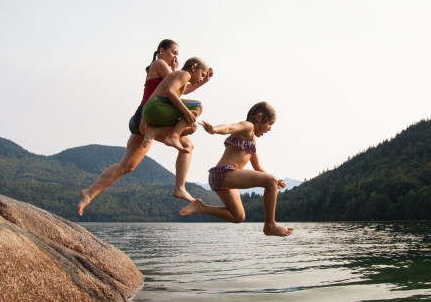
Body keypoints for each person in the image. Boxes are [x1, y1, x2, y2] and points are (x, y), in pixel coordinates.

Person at [77, 40, 212, 216]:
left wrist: (202, 81)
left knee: (127, 165)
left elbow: (183, 89)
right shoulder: (159, 63)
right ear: (161, 51)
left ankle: (89, 193)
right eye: (173, 52)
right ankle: (179, 187)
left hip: (142, 118)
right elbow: (178, 87)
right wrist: (181, 72)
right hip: (147, 117)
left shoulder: (173, 71)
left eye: (178, 54)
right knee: (188, 143)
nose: (175, 57)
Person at [179, 102, 293, 237]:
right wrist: (214, 129)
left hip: (222, 179)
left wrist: (274, 182)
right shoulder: (248, 126)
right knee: (270, 180)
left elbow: (257, 167)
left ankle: (201, 207)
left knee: (238, 216)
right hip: (224, 173)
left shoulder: (251, 141)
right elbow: (229, 127)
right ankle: (270, 225)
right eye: (270, 124)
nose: (269, 129)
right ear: (259, 118)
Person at [140, 57, 209, 153]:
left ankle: (155, 131)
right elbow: (170, 91)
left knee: (192, 127)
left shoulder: (178, 78)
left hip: (149, 113)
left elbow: (181, 91)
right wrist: (186, 111)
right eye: (202, 74)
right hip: (157, 105)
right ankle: (174, 136)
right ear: (193, 67)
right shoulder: (185, 74)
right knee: (198, 105)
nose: (201, 79)